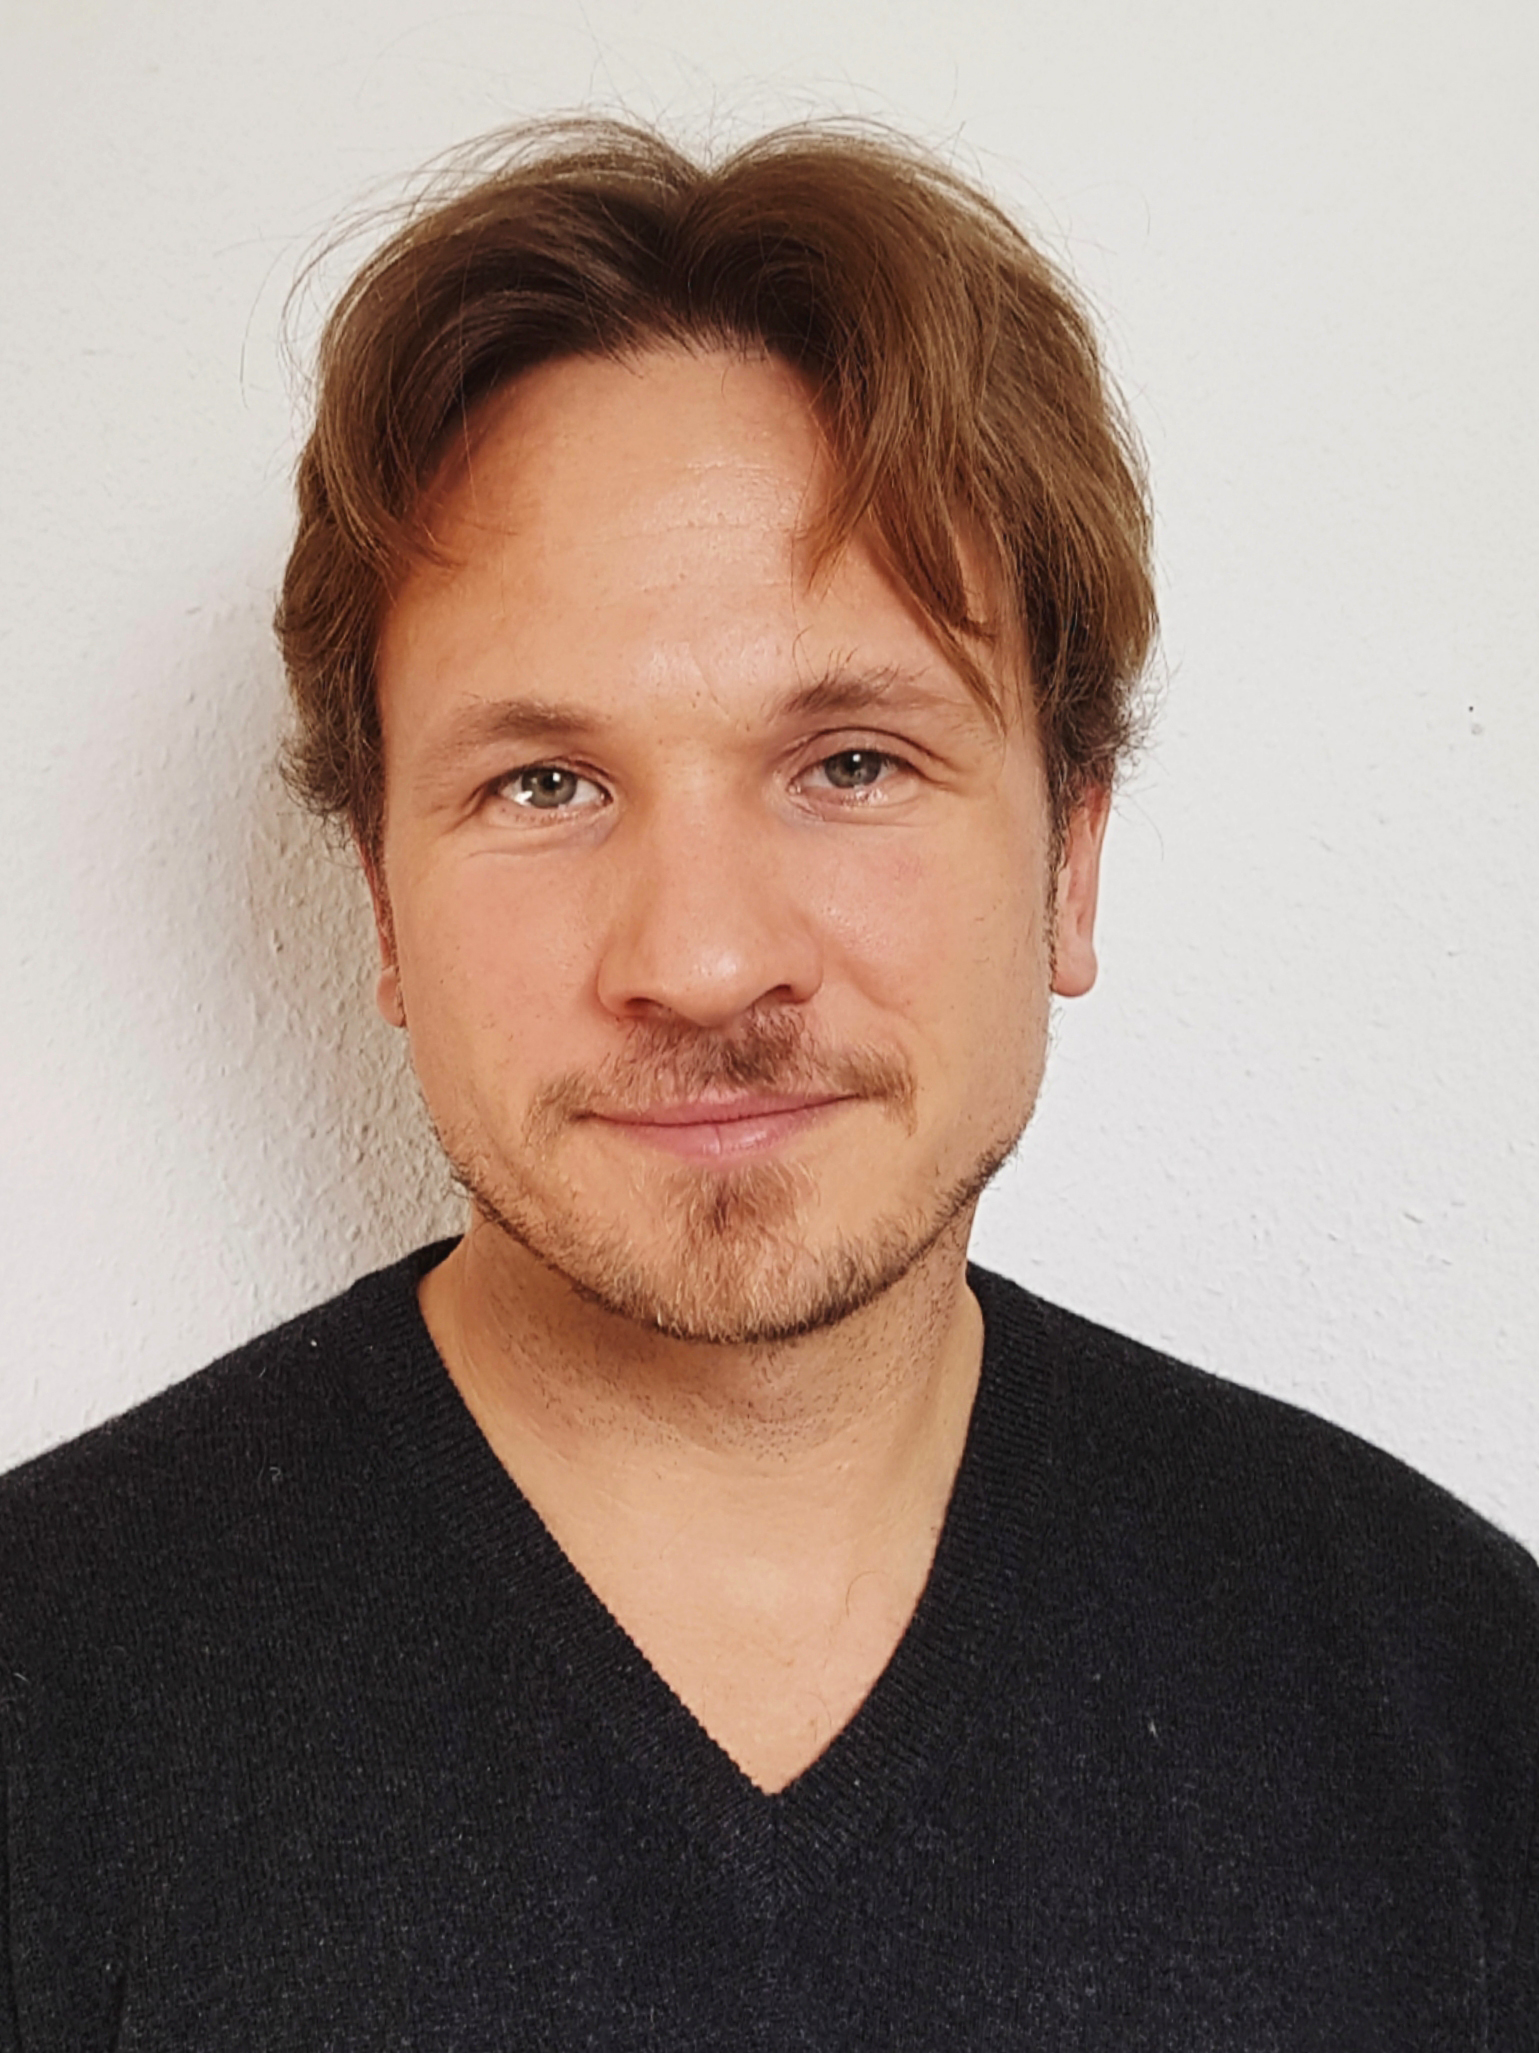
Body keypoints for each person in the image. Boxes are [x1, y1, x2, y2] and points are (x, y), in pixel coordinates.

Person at [2, 117, 1534, 2050]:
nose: (706, 959)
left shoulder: (1460, 1708)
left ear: (1070, 856)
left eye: (852, 764)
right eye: (544, 783)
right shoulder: (45, 1709)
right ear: (380, 898)